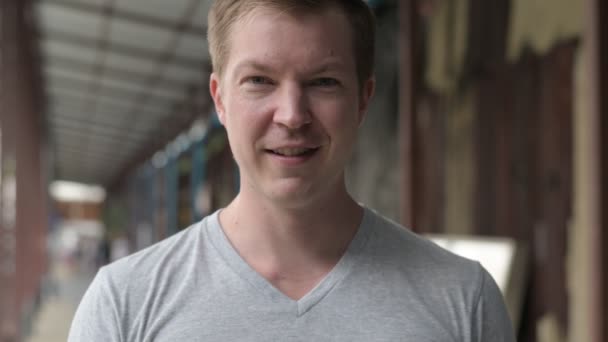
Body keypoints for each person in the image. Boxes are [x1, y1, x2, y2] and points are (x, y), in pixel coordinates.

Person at [68, 0, 515, 341]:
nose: (292, 115)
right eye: (260, 80)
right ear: (220, 99)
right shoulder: (125, 304)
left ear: (363, 99)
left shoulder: (462, 300)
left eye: (323, 81)